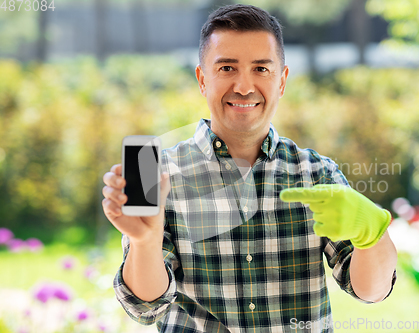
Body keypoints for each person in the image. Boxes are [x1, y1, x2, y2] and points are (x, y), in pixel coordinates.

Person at [102, 4, 397, 332]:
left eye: (261, 69)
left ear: (282, 81)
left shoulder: (317, 176)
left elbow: (372, 291)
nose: (244, 86)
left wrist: (372, 233)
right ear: (202, 79)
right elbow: (146, 307)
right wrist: (145, 242)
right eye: (227, 68)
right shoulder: (162, 176)